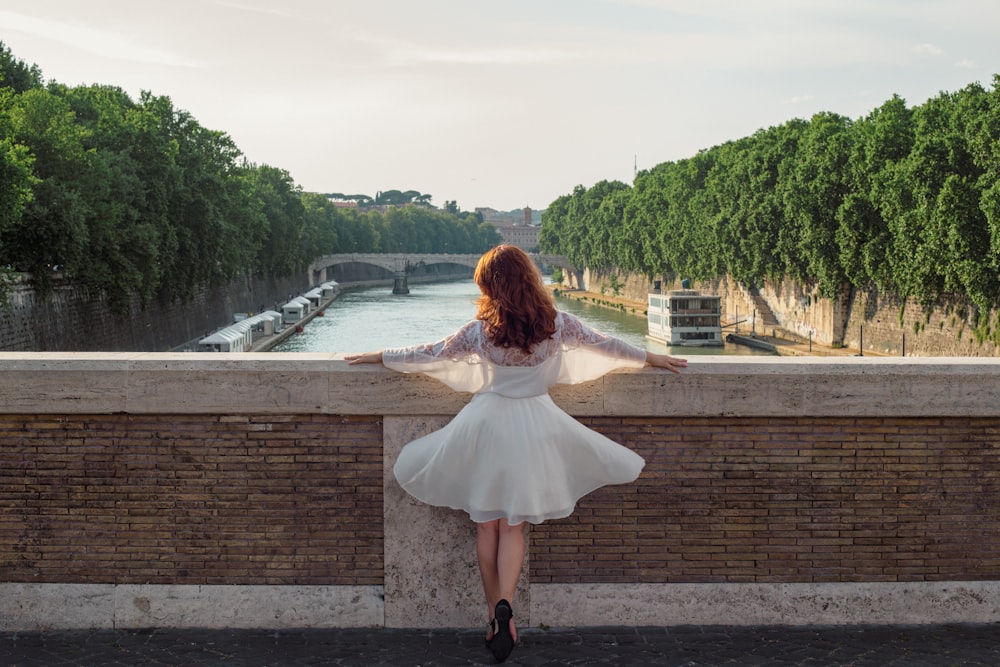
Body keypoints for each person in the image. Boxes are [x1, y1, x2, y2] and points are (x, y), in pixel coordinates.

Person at [346, 245, 686, 663]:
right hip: (535, 429)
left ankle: (494, 615)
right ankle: (508, 602)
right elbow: (609, 345)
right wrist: (652, 357)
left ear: (491, 285)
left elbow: (428, 354)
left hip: (486, 427)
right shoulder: (558, 324)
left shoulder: (479, 331)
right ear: (528, 277)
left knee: (486, 527)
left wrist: (381, 355)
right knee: (514, 528)